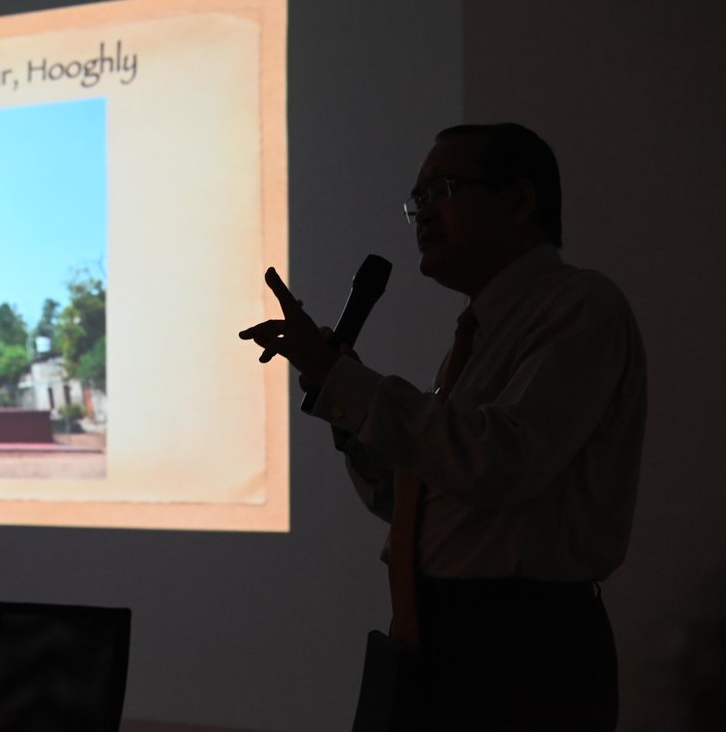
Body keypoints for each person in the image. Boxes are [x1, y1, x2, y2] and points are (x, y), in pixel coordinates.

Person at [240, 123, 646, 731]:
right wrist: (340, 393)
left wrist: (351, 385)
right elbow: (415, 498)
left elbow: (498, 463)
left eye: (443, 190)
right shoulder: (479, 334)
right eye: (416, 200)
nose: (422, 214)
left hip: (521, 654)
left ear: (519, 200)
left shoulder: (579, 307)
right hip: (434, 641)